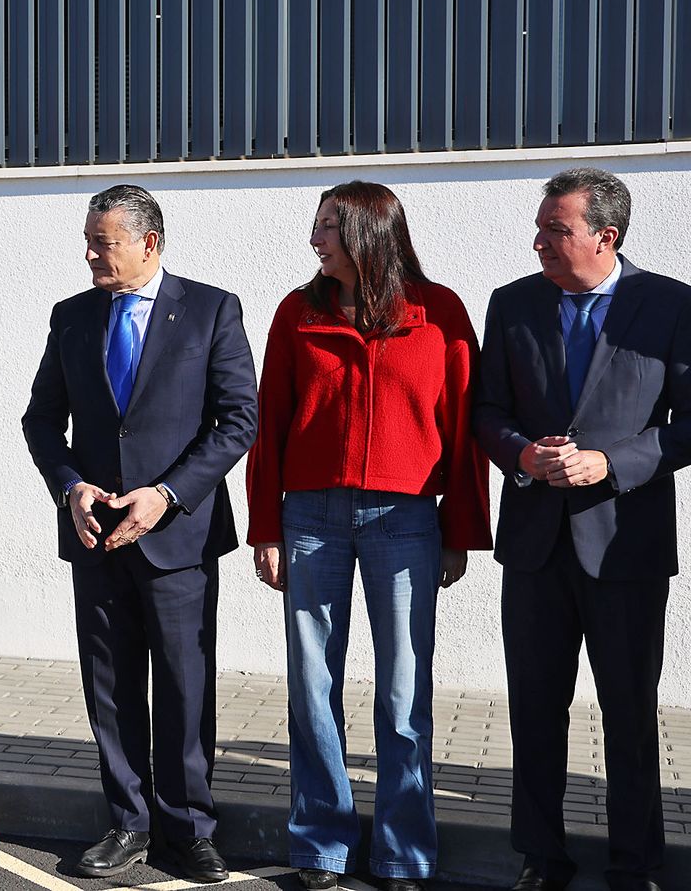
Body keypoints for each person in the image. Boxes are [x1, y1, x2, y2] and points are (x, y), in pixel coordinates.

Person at [246, 180, 490, 891]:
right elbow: (270, 423)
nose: (315, 239)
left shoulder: (438, 312)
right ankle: (321, 843)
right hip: (311, 518)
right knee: (312, 685)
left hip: (407, 517)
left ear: (367, 233)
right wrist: (265, 526)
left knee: (404, 692)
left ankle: (403, 850)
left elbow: (466, 428)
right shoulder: (297, 312)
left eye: (327, 226)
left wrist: (461, 532)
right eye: (317, 225)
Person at [21, 184, 257, 883]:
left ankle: (189, 828)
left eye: (104, 242)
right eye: (90, 240)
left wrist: (166, 494)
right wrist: (71, 485)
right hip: (96, 536)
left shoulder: (212, 308)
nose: (91, 253)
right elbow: (41, 420)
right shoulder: (71, 316)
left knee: (185, 686)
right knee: (111, 686)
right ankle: (127, 822)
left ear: (148, 244)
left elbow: (238, 419)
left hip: (176, 536)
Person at [474, 168, 690, 891]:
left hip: (625, 542)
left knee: (629, 712)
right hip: (535, 544)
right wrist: (523, 454)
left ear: (607, 235)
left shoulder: (669, 305)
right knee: (535, 709)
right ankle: (543, 856)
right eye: (539, 228)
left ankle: (636, 863)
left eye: (555, 229)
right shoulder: (512, 304)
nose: (538, 241)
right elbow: (486, 411)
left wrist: (612, 461)